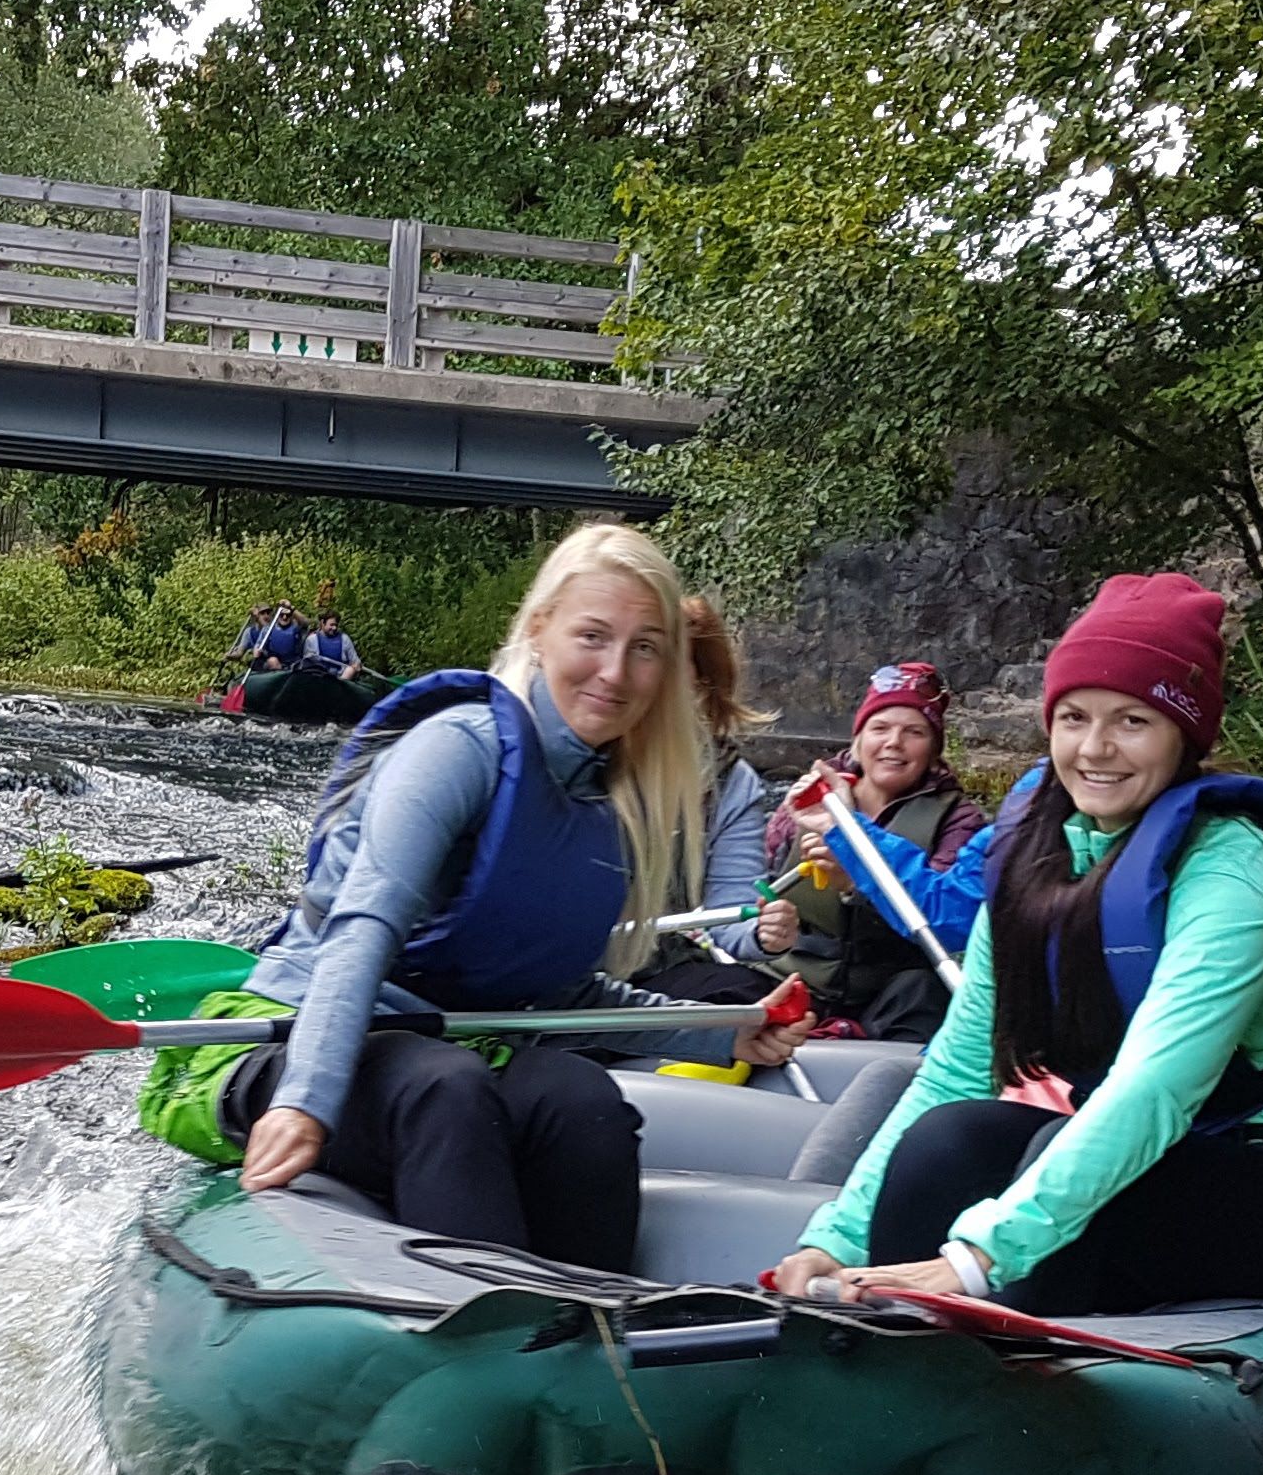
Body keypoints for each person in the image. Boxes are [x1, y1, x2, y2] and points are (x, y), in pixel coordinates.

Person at [140, 523, 811, 1271]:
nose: (615, 672)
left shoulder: (606, 804)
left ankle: (586, 1344)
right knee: (446, 1088)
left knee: (579, 1098)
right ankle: (483, 1342)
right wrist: (307, 1099)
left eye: (645, 648)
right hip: (301, 1037)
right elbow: (361, 932)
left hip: (446, 1047)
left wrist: (722, 1033)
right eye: (593, 636)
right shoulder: (457, 747)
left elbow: (562, 996)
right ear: (539, 630)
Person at [769, 573, 1263, 1316]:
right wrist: (838, 1237)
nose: (1094, 749)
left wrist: (975, 1259)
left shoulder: (1234, 873)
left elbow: (1153, 1089)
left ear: (1183, 736)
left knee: (1052, 1178)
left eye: (1132, 722)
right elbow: (957, 1070)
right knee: (948, 1140)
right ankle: (870, 1341)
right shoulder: (1036, 854)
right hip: (1163, 1162)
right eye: (1072, 718)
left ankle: (1011, 1393)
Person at [752, 661, 989, 1037]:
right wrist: (765, 926)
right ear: (858, 741)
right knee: (723, 986)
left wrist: (853, 884)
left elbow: (948, 925)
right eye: (880, 728)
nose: (894, 743)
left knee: (921, 993)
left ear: (933, 750)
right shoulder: (805, 803)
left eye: (914, 732)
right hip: (796, 977)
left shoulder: (959, 821)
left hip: (890, 990)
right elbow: (758, 888)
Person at [299, 581, 364, 677]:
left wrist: (356, 665)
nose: (334, 628)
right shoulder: (312, 640)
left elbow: (355, 661)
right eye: (331, 625)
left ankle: (340, 689)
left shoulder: (344, 639)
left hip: (340, 677)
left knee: (350, 670)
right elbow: (307, 663)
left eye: (336, 625)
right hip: (320, 676)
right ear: (322, 623)